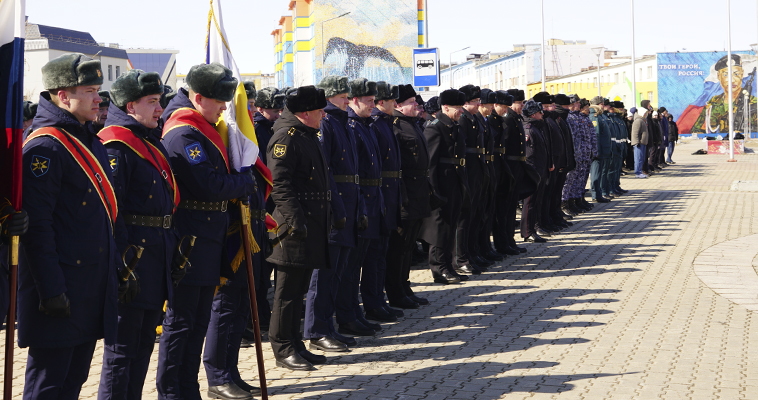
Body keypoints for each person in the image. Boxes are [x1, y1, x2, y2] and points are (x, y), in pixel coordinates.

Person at [20, 52, 135, 400]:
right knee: (48, 385)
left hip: (90, 286)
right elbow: (37, 228)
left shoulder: (89, 138)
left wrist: (119, 269)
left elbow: (104, 214)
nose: (99, 98)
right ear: (63, 95)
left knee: (73, 381)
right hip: (61, 290)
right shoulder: (45, 147)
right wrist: (51, 291)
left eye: (98, 89)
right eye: (90, 90)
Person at [157, 63, 257, 400]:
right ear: (198, 98)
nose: (225, 108)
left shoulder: (202, 126)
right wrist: (244, 181)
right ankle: (172, 392)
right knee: (181, 324)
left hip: (207, 238)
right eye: (219, 101)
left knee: (198, 322)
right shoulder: (183, 133)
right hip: (191, 240)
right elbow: (208, 185)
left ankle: (189, 388)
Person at [97, 69, 183, 400]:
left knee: (144, 345)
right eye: (153, 102)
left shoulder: (149, 141)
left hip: (154, 259)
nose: (160, 109)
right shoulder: (117, 146)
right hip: (132, 262)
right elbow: (111, 212)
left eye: (160, 101)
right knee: (121, 354)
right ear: (131, 106)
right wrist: (120, 266)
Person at [266, 85, 331, 371]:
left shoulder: (306, 134)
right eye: (319, 111)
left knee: (299, 289)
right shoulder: (286, 137)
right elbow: (279, 183)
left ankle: (296, 343)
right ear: (304, 113)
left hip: (309, 223)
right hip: (293, 227)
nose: (323, 116)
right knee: (286, 292)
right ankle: (282, 348)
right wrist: (295, 221)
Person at [304, 75, 366, 352]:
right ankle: (316, 330)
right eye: (342, 95)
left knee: (338, 272)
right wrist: (337, 207)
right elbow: (325, 171)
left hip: (350, 202)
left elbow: (354, 173)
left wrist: (359, 206)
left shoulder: (344, 123)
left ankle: (328, 326)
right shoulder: (327, 124)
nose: (346, 99)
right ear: (329, 97)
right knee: (324, 273)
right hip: (334, 206)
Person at [341, 78, 384, 336]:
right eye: (368, 101)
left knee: (364, 260)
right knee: (351, 266)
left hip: (371, 197)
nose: (373, 105)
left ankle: (355, 311)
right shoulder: (352, 126)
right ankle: (347, 314)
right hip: (359, 200)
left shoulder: (364, 125)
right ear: (354, 100)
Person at [387, 84, 432, 306]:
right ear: (398, 105)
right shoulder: (396, 126)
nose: (417, 105)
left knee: (408, 246)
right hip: (405, 194)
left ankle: (405, 286)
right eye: (411, 102)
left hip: (418, 192)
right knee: (399, 246)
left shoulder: (411, 124)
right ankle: (395, 291)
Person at [419, 89, 469, 284]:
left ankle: (448, 266)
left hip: (455, 182)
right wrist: (433, 190)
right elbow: (431, 162)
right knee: (439, 228)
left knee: (451, 225)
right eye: (458, 108)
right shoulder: (434, 126)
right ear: (445, 107)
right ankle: (438, 269)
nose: (461, 111)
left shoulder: (454, 125)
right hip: (441, 184)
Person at [367, 81, 405, 319]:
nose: (396, 104)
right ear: (382, 103)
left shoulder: (387, 124)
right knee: (373, 255)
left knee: (382, 252)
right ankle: (373, 302)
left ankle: (379, 300)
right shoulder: (375, 125)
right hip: (378, 194)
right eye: (392, 101)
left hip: (388, 192)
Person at [455, 85, 486, 275]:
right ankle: (461, 257)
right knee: (464, 218)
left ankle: (472, 253)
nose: (479, 105)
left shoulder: (473, 118)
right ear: (466, 102)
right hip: (468, 170)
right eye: (476, 102)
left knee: (475, 215)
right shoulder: (463, 119)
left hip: (478, 169)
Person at [502, 89, 534, 253]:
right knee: (507, 209)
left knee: (511, 207)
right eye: (520, 103)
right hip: (510, 167)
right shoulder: (507, 120)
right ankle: (505, 242)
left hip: (517, 167)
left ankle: (510, 242)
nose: (522, 106)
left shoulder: (515, 118)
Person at [692, 54, 758, 134]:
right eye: (726, 75)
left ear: (742, 74)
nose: (732, 80)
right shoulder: (713, 102)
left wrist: (743, 133)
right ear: (719, 76)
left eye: (736, 74)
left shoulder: (753, 102)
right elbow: (696, 130)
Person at [521, 100, 551, 243]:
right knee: (530, 202)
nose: (542, 114)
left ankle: (534, 227)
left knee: (537, 201)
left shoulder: (537, 127)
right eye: (540, 112)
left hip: (540, 170)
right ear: (533, 114)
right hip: (533, 171)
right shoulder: (529, 128)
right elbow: (528, 154)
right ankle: (527, 232)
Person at [253, 88, 285, 166]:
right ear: (260, 109)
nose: (278, 116)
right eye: (275, 111)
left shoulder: (273, 125)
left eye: (279, 111)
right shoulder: (255, 129)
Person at [588, 96, 611, 202]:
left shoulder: (600, 116)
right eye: (601, 104)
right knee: (596, 174)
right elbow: (596, 135)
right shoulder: (594, 116)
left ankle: (598, 194)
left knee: (599, 172)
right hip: (598, 151)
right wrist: (596, 151)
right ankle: (595, 195)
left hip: (602, 150)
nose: (603, 106)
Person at [631, 101, 651, 178]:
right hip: (638, 143)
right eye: (645, 113)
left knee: (641, 158)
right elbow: (635, 133)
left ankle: (640, 171)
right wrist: (636, 142)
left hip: (643, 143)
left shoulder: (642, 120)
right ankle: (637, 172)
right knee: (638, 158)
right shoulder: (638, 121)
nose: (646, 115)